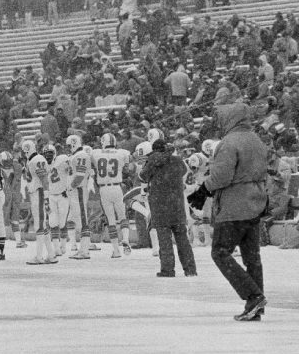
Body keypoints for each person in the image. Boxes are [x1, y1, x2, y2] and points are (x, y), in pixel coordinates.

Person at [188, 103, 268, 321]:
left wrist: (203, 189)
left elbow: (222, 175)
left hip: (235, 205)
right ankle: (256, 304)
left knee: (220, 251)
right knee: (252, 257)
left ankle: (253, 296)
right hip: (256, 202)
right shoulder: (256, 139)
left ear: (230, 119)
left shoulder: (229, 142)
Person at [140, 140, 197, 277]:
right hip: (176, 203)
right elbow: (183, 171)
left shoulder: (152, 160)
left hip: (160, 204)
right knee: (182, 239)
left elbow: (143, 176)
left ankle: (168, 269)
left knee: (164, 240)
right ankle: (190, 269)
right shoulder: (177, 160)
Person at [91, 133, 132, 258]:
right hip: (117, 187)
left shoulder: (96, 153)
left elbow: (91, 163)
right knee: (123, 216)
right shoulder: (122, 152)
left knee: (111, 221)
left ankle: (116, 250)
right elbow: (128, 168)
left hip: (104, 188)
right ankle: (125, 239)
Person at [22, 140, 57, 264]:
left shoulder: (37, 159)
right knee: (42, 226)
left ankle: (39, 256)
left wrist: (46, 198)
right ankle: (51, 255)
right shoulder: (33, 159)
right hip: (36, 193)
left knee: (39, 225)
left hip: (40, 193)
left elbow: (44, 180)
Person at [65, 135, 93, 259]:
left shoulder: (81, 155)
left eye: (68, 145)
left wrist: (71, 186)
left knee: (82, 220)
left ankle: (85, 250)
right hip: (76, 191)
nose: (67, 148)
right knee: (79, 220)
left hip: (79, 190)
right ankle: (83, 249)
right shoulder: (76, 156)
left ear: (73, 143)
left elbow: (80, 175)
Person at [43, 144, 70, 256]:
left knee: (62, 222)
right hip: (50, 196)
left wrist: (68, 188)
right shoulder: (43, 164)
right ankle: (56, 248)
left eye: (50, 153)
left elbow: (71, 172)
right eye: (46, 154)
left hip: (63, 195)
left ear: (54, 154)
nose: (48, 156)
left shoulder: (62, 160)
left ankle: (63, 245)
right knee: (53, 222)